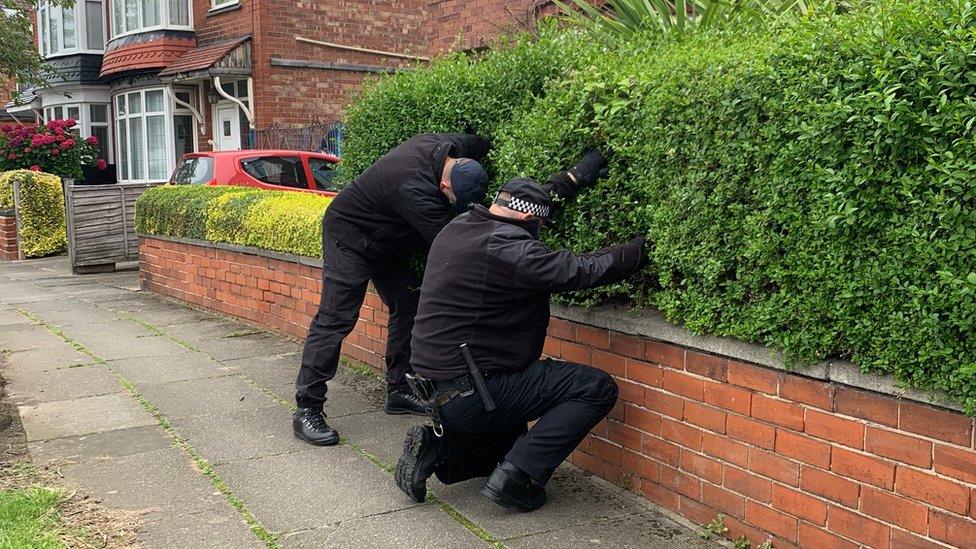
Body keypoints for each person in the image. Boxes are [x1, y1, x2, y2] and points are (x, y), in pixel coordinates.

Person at [393, 149, 648, 511]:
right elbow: (580, 269)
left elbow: (528, 206)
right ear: (527, 220)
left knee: (506, 445)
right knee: (595, 388)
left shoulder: (460, 227)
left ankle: (439, 449)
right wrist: (642, 249)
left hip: (439, 390)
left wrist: (573, 178)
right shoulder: (509, 249)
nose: (538, 235)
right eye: (538, 228)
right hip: (476, 394)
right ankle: (516, 480)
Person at [293, 133, 491, 446]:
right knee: (336, 318)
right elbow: (449, 242)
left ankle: (399, 390)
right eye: (455, 201)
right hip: (349, 237)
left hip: (384, 242)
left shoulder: (452, 149)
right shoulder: (412, 188)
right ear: (444, 187)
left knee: (408, 303)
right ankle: (307, 407)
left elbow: (482, 141)